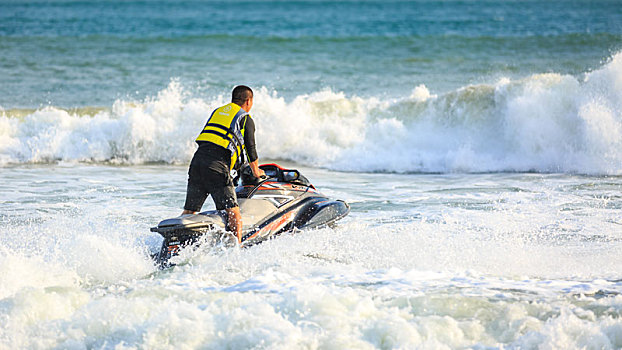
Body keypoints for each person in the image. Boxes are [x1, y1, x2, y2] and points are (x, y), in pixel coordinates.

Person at [182, 85, 265, 243]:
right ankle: (236, 251)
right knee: (234, 214)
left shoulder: (218, 112)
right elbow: (251, 149)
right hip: (216, 167)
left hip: (197, 163)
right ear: (248, 101)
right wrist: (256, 172)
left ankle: (176, 245)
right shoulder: (245, 118)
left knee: (189, 212)